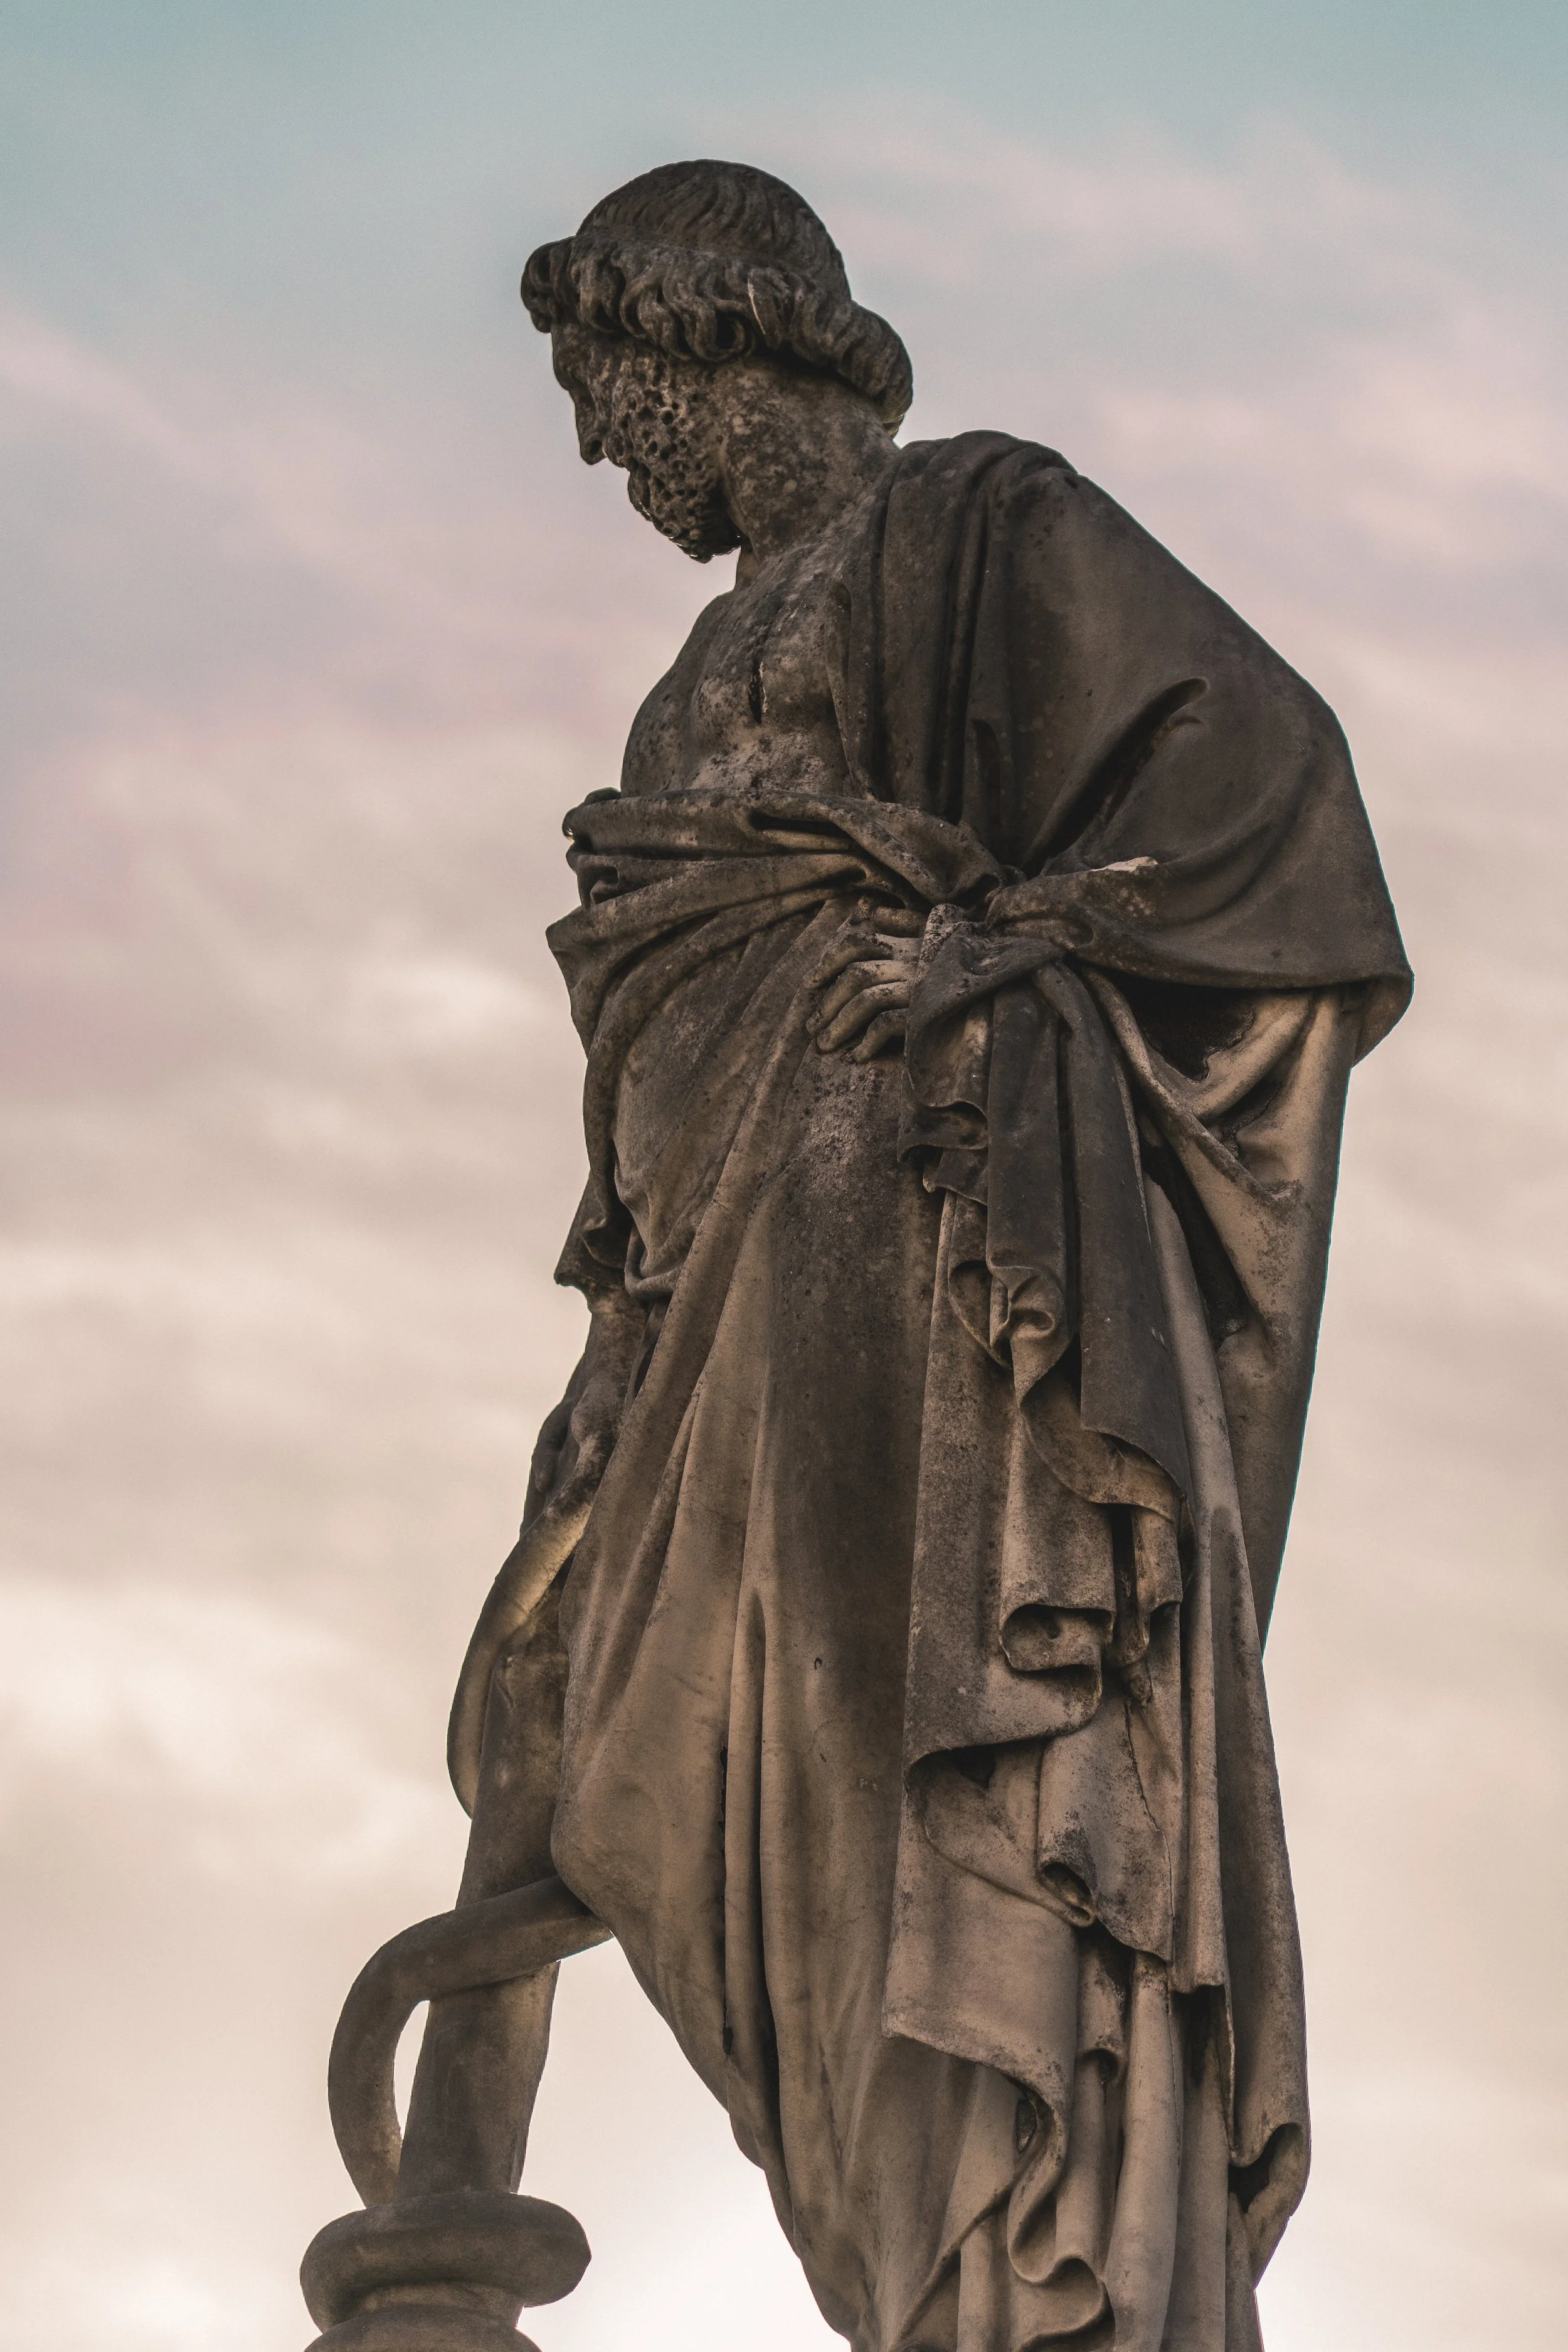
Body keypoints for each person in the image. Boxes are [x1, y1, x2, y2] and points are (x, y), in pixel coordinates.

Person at [514, 159, 1409, 2352]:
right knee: (726, 1809)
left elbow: (1261, 782)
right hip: (712, 1318)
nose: (598, 441)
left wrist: (1012, 936)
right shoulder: (675, 697)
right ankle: (923, 2270)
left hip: (932, 1260)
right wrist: (606, 1379)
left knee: (964, 1784)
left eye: (616, 378)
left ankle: (1026, 2263)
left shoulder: (979, 526)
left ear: (727, 330)